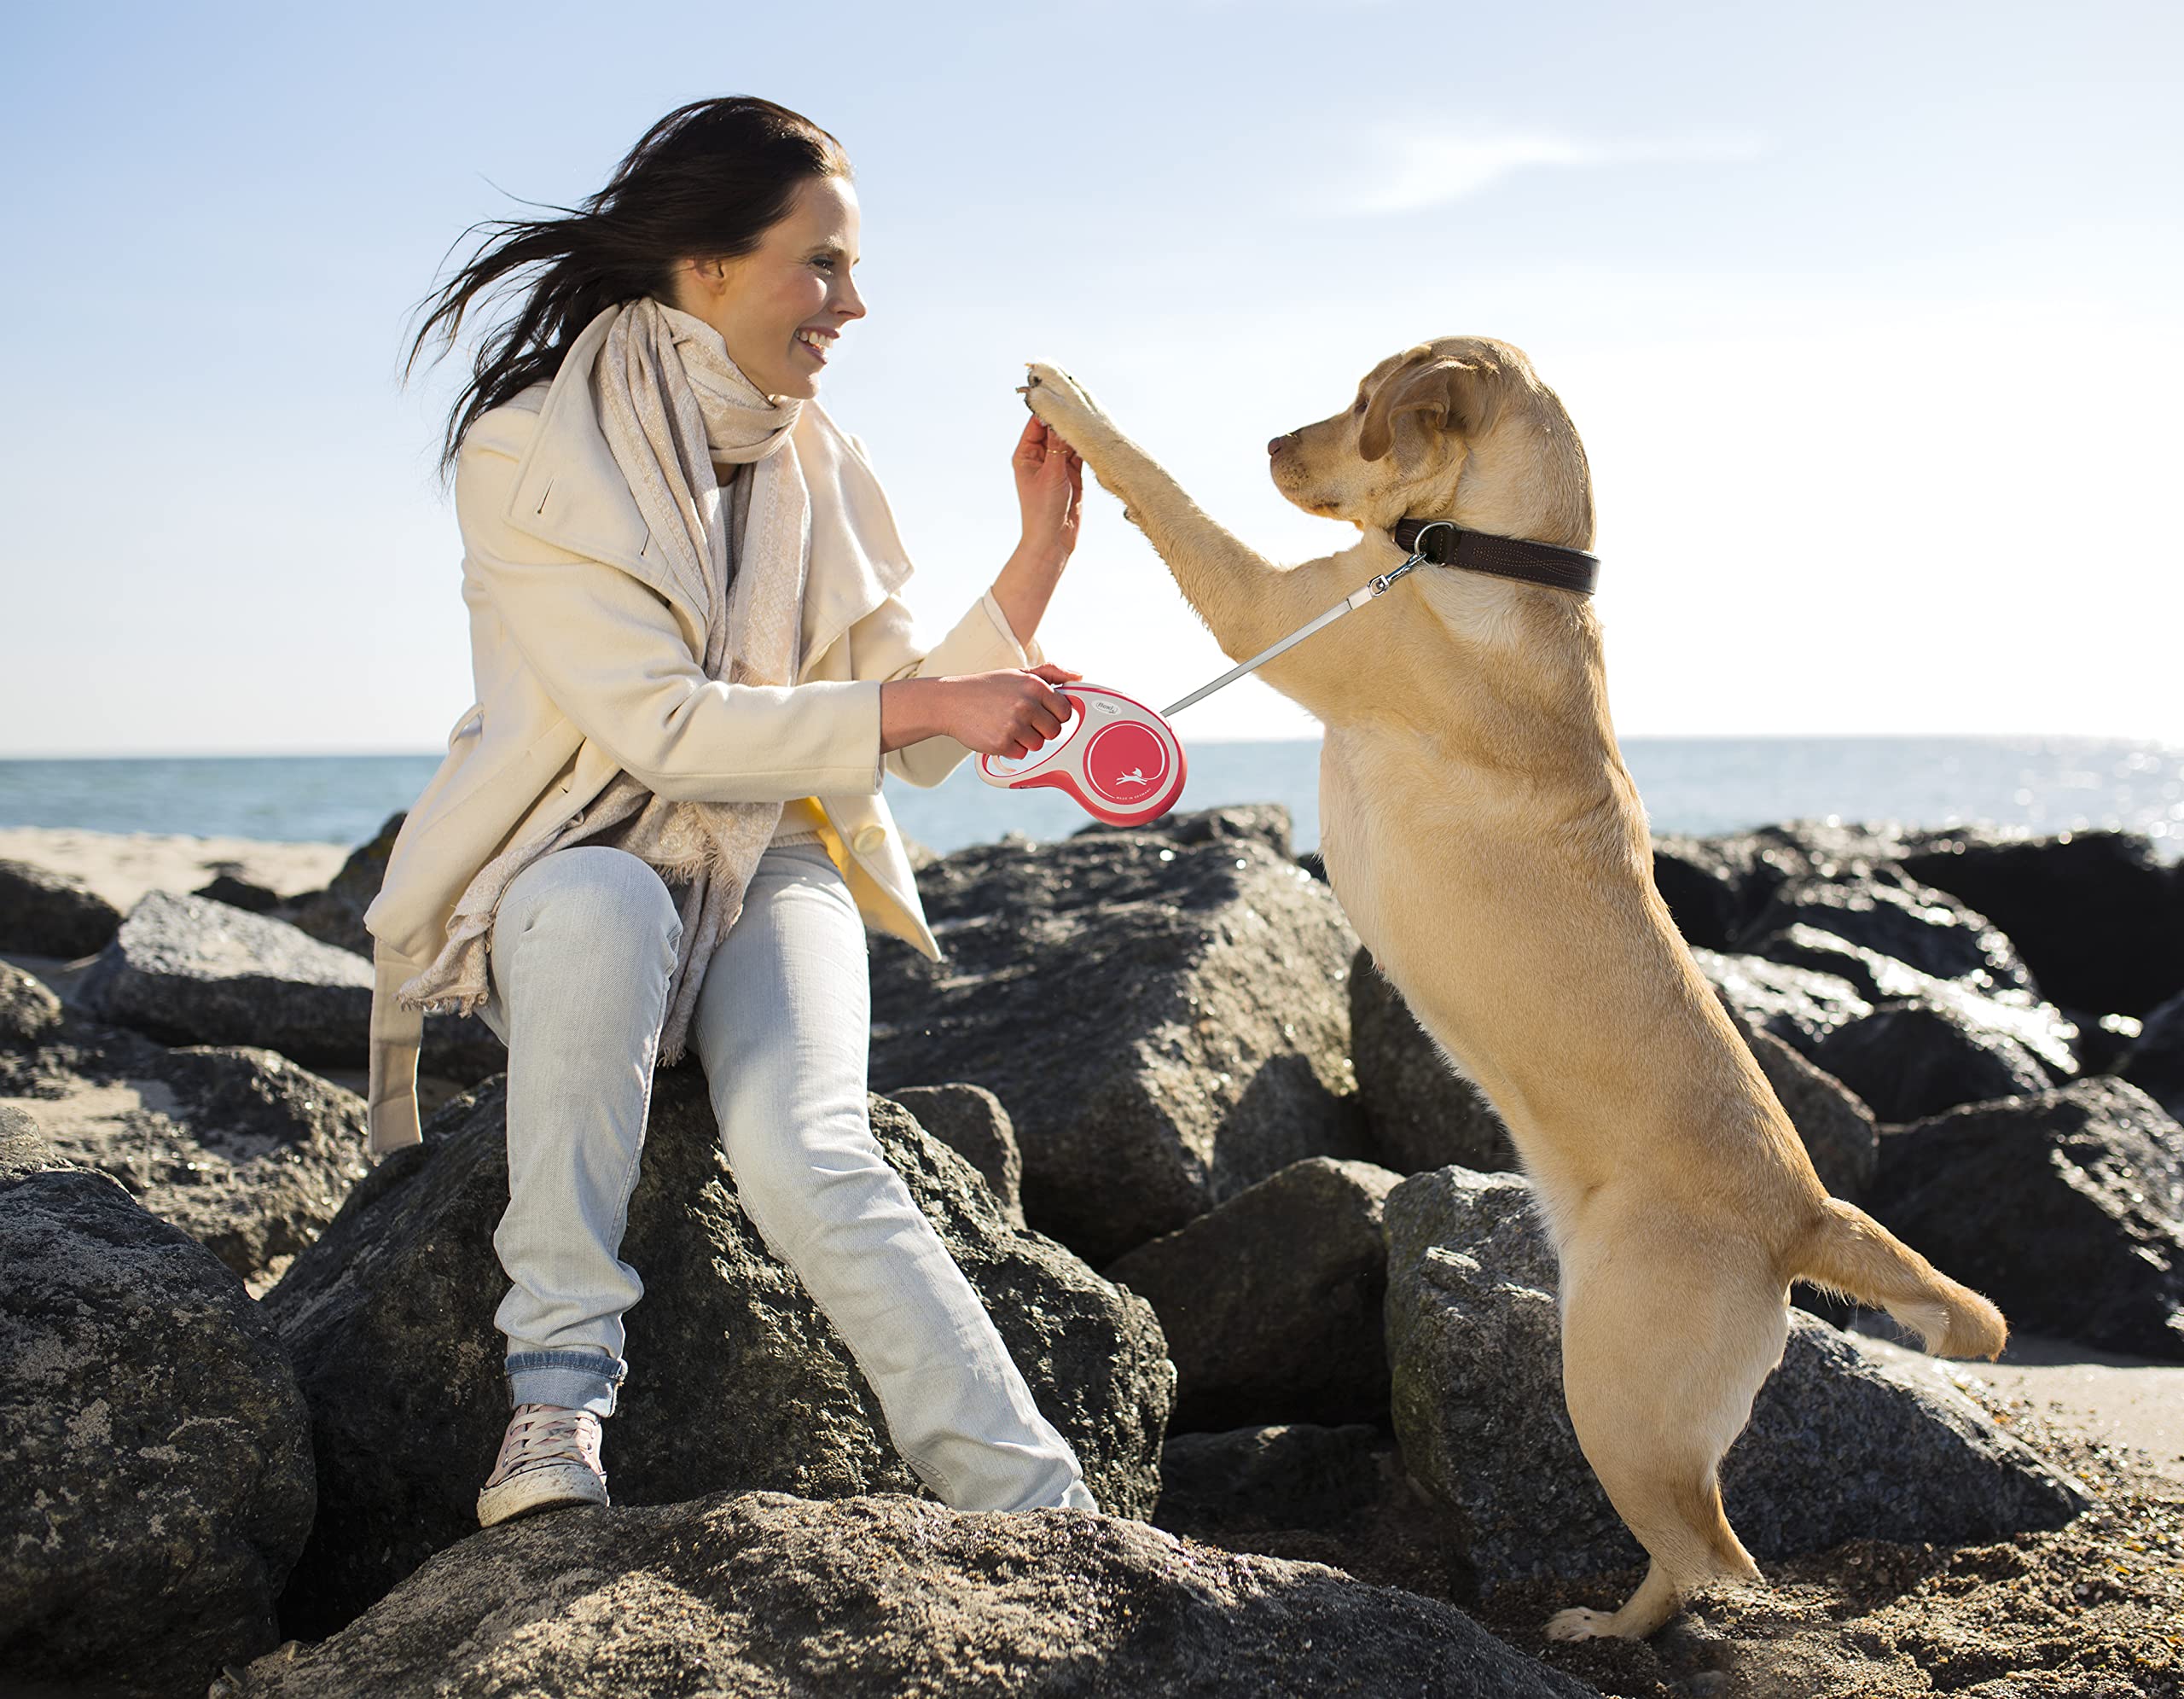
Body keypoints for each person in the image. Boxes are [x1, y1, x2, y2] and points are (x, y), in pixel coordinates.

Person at [366, 95, 1098, 1527]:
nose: (853, 303)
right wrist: (925, 708)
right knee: (601, 900)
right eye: (821, 264)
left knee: (812, 1146)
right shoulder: (527, 451)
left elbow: (900, 712)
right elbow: (661, 727)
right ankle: (555, 1405)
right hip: (571, 858)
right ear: (705, 266)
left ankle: (1044, 1514)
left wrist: (1039, 556)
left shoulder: (815, 455)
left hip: (769, 859)